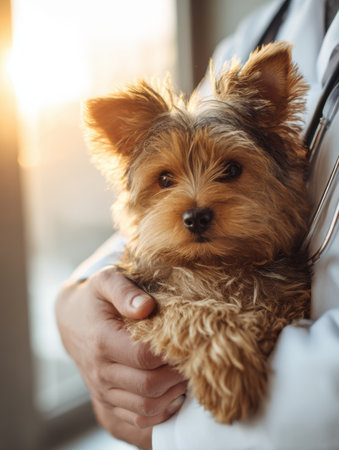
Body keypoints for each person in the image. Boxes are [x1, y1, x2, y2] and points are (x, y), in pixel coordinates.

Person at [56, 0, 339, 449]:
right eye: (165, 179)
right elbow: (135, 272)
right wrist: (72, 303)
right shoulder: (278, 19)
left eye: (229, 170)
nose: (195, 204)